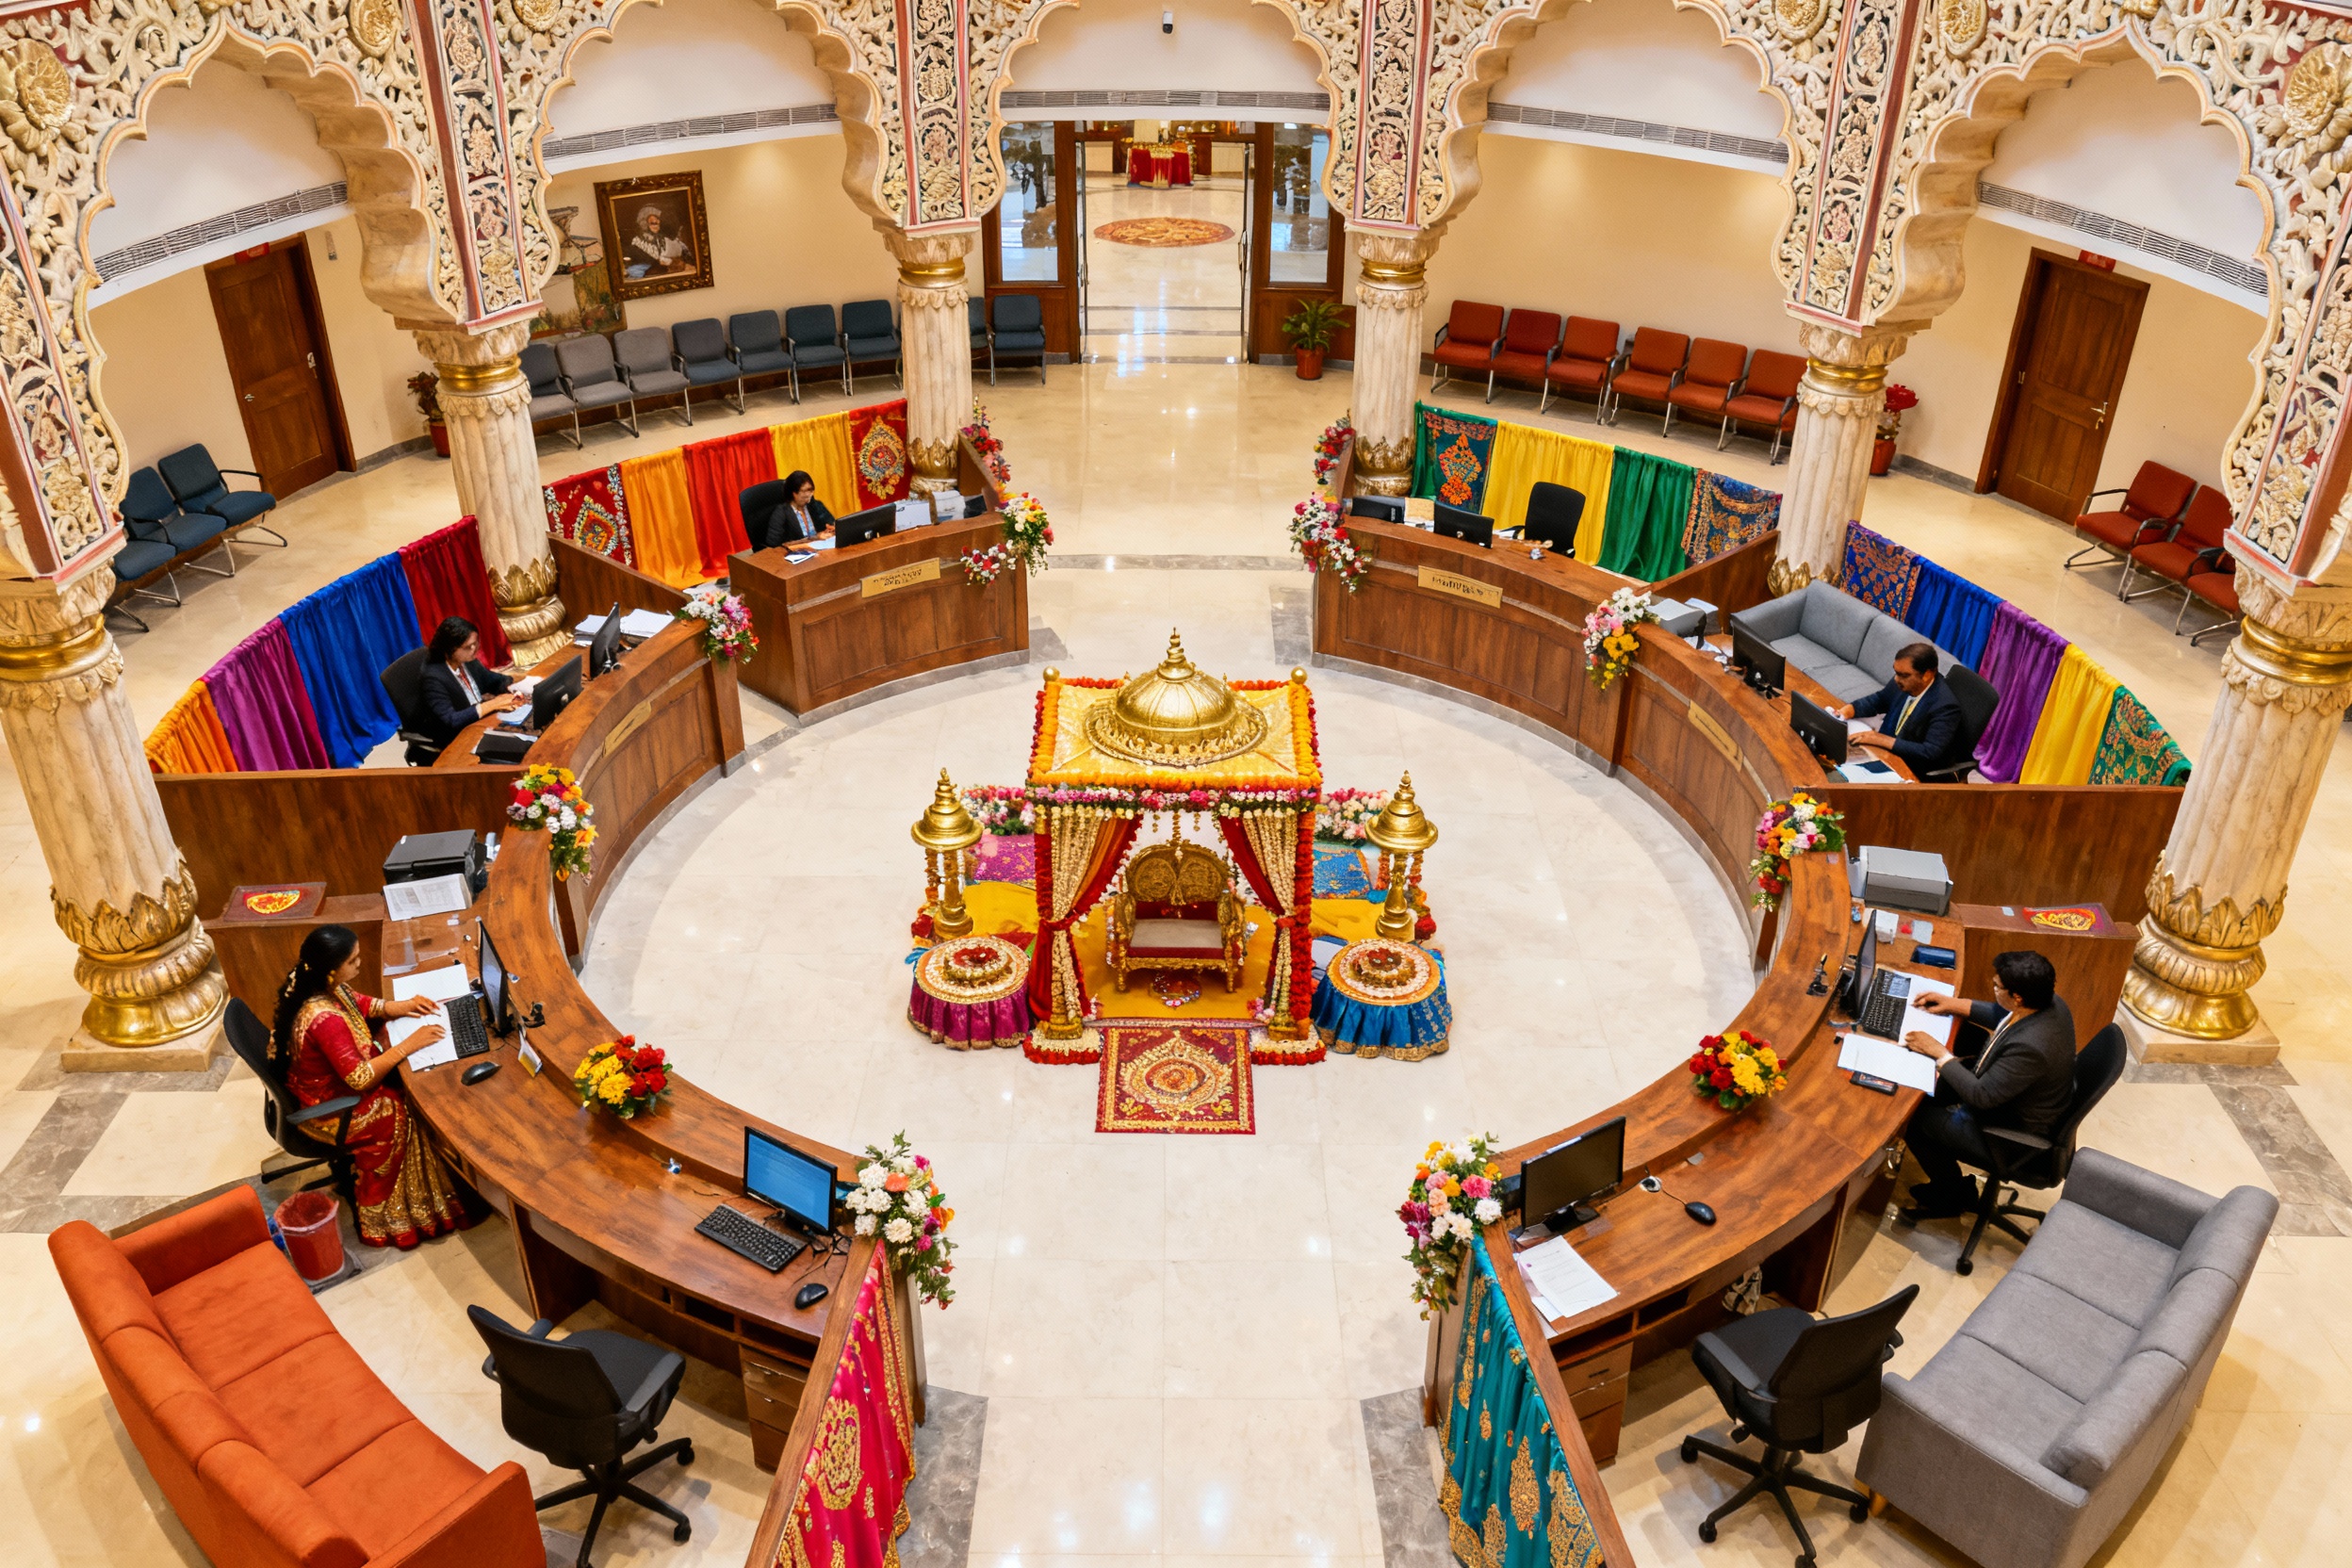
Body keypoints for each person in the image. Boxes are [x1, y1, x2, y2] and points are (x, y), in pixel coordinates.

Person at [271, 924, 473, 1250]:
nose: (360, 964)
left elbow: (362, 1005)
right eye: (354, 961)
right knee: (403, 1107)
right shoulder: (326, 1019)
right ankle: (392, 1219)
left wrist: (403, 1006)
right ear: (333, 969)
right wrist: (410, 1044)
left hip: (324, 1088)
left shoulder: (323, 985)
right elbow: (361, 1079)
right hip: (331, 1108)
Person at [1898, 950, 2077, 1220]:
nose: (1992, 989)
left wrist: (1940, 1055)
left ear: (2017, 996)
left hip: (2009, 1132)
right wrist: (1951, 1003)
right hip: (2014, 1096)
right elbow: (2002, 1016)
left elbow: (1982, 1096)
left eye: (1997, 987)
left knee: (1917, 1120)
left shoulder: (2032, 1047)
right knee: (1966, 1036)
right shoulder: (2049, 1003)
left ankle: (1951, 1197)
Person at [1836, 642, 1967, 774]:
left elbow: (1930, 751)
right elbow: (1880, 700)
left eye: (1904, 675)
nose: (1896, 679)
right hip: (1883, 753)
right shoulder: (1901, 682)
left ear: (1927, 675)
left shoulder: (1945, 706)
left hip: (1909, 767)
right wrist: (1850, 709)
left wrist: (1882, 740)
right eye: (1896, 673)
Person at [418, 615, 516, 744]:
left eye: (475, 644)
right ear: (449, 649)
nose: (474, 650)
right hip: (459, 736)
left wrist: (513, 689)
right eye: (467, 647)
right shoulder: (433, 677)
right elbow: (451, 720)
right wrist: (493, 704)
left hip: (480, 722)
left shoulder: (467, 660)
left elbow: (493, 680)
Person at [625, 203, 690, 279]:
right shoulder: (638, 241)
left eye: (658, 223)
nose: (656, 226)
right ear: (646, 223)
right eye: (653, 223)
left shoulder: (666, 239)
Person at [773, 469, 835, 546]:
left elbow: (831, 524)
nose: (809, 495)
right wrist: (816, 538)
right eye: (805, 491)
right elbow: (775, 545)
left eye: (811, 490)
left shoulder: (814, 505)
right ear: (794, 493)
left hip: (821, 550)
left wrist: (831, 530)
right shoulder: (781, 513)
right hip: (797, 553)